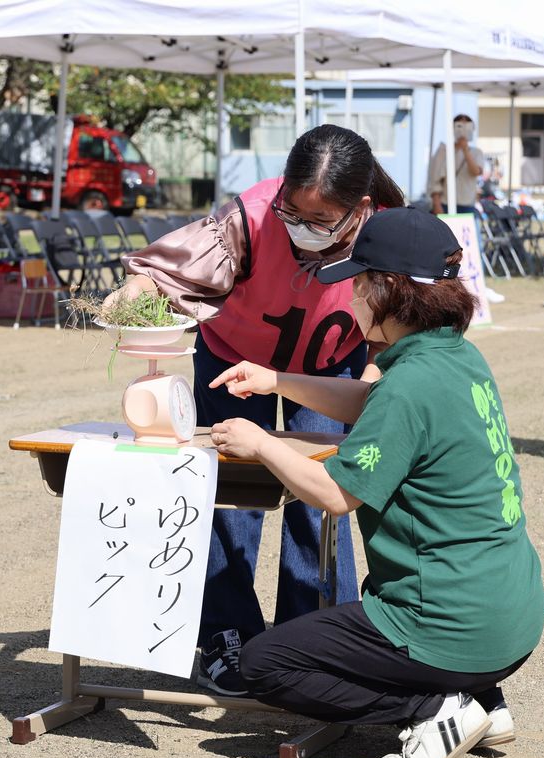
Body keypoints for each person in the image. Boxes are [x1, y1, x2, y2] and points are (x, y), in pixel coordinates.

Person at [206, 207, 544, 758]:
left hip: (449, 624)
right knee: (368, 603)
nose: (351, 297)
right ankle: (483, 699)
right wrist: (277, 379)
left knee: (269, 663)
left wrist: (260, 442)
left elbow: (334, 494)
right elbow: (371, 405)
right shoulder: (454, 358)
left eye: (360, 284)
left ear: (391, 290)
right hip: (511, 619)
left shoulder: (408, 384)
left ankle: (434, 710)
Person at [105, 124, 405, 696]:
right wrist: (133, 294)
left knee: (321, 498)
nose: (301, 229)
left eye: (321, 222)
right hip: (232, 360)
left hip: (327, 369)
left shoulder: (388, 228)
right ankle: (225, 634)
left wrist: (371, 379)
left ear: (360, 209)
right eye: (293, 213)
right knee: (225, 496)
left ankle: (316, 635)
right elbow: (167, 274)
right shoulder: (249, 216)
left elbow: (398, 323)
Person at [428, 114, 484, 215]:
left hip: (468, 204)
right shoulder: (443, 151)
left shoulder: (476, 152)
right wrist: (436, 204)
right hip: (445, 203)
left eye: (467, 126)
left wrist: (465, 150)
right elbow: (434, 180)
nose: (463, 130)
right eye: (459, 126)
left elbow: (476, 172)